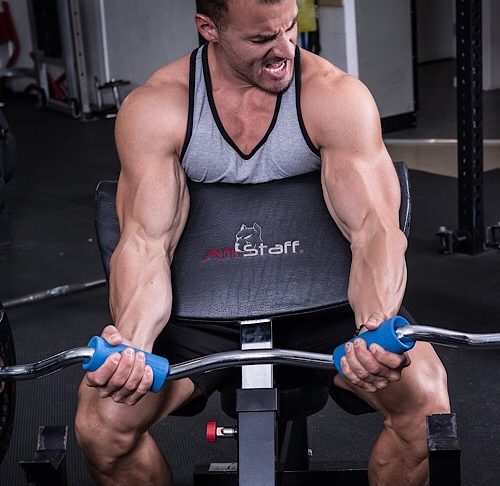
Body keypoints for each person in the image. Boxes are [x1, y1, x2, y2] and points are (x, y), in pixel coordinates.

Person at [75, 1, 451, 485]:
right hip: (195, 315)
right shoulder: (160, 107)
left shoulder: (334, 97)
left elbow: (374, 230)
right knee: (102, 426)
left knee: (426, 405)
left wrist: (374, 327)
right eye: (260, 39)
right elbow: (146, 243)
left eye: (290, 27)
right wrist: (134, 346)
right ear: (209, 28)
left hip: (331, 308)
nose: (284, 50)